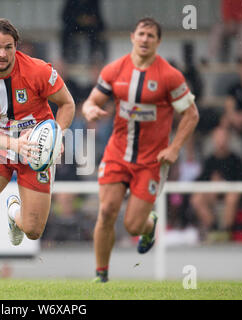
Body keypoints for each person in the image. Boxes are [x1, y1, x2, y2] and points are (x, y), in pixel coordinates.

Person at [0, 18, 75, 293]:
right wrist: (12, 144)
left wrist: (59, 133)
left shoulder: (38, 70)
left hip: (35, 149)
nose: (2, 54)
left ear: (15, 47)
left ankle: (13, 211)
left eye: (8, 47)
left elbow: (67, 104)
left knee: (33, 230)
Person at [82, 18, 199, 283]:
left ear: (158, 41)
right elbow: (92, 101)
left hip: (151, 161)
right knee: (108, 210)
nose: (145, 39)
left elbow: (191, 114)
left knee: (133, 225)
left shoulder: (170, 76)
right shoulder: (114, 70)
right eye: (141, 34)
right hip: (117, 153)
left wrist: (175, 147)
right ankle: (101, 276)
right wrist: (90, 109)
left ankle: (148, 224)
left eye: (151, 36)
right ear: (132, 36)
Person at [190, 127, 242, 242]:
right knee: (197, 199)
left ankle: (226, 231)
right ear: (214, 140)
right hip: (212, 194)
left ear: (228, 139)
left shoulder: (236, 160)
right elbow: (201, 179)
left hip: (230, 192)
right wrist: (212, 184)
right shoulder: (209, 160)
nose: (221, 141)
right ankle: (213, 229)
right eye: (218, 138)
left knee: (232, 197)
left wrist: (224, 183)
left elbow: (241, 180)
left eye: (223, 137)